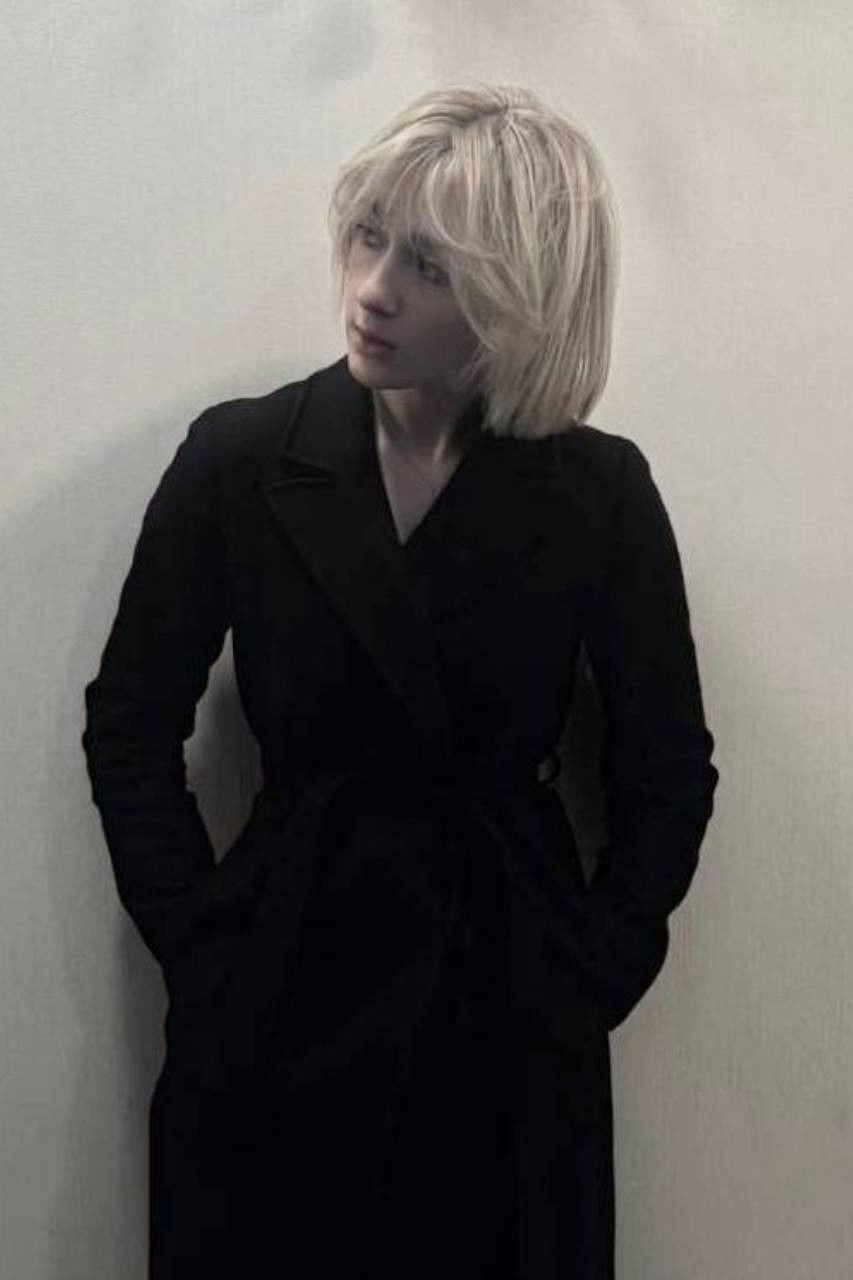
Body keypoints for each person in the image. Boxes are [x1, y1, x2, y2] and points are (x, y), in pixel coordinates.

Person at [81, 82, 719, 1280]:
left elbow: (667, 762)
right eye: (370, 236)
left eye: (431, 266)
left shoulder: (598, 492)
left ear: (522, 288)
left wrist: (589, 971)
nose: (373, 289)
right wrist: (205, 945)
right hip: (280, 987)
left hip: (504, 1007)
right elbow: (129, 718)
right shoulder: (243, 456)